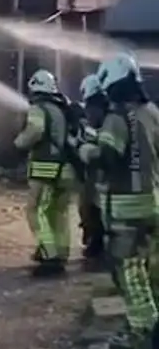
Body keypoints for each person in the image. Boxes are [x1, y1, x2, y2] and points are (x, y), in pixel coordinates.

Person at [82, 52, 159, 349]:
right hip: (152, 204)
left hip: (126, 210)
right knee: (144, 270)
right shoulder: (152, 113)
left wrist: (88, 151)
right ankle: (146, 328)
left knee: (129, 274)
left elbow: (109, 156)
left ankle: (143, 333)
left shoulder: (117, 118)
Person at [13, 68, 77, 275]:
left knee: (36, 210)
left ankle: (49, 255)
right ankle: (61, 252)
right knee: (59, 213)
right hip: (66, 168)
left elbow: (36, 130)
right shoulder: (61, 110)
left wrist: (19, 142)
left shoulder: (38, 108)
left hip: (45, 168)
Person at [78, 70, 109, 264]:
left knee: (91, 206)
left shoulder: (100, 112)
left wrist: (85, 148)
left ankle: (95, 242)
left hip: (99, 172)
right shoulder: (112, 110)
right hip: (102, 173)